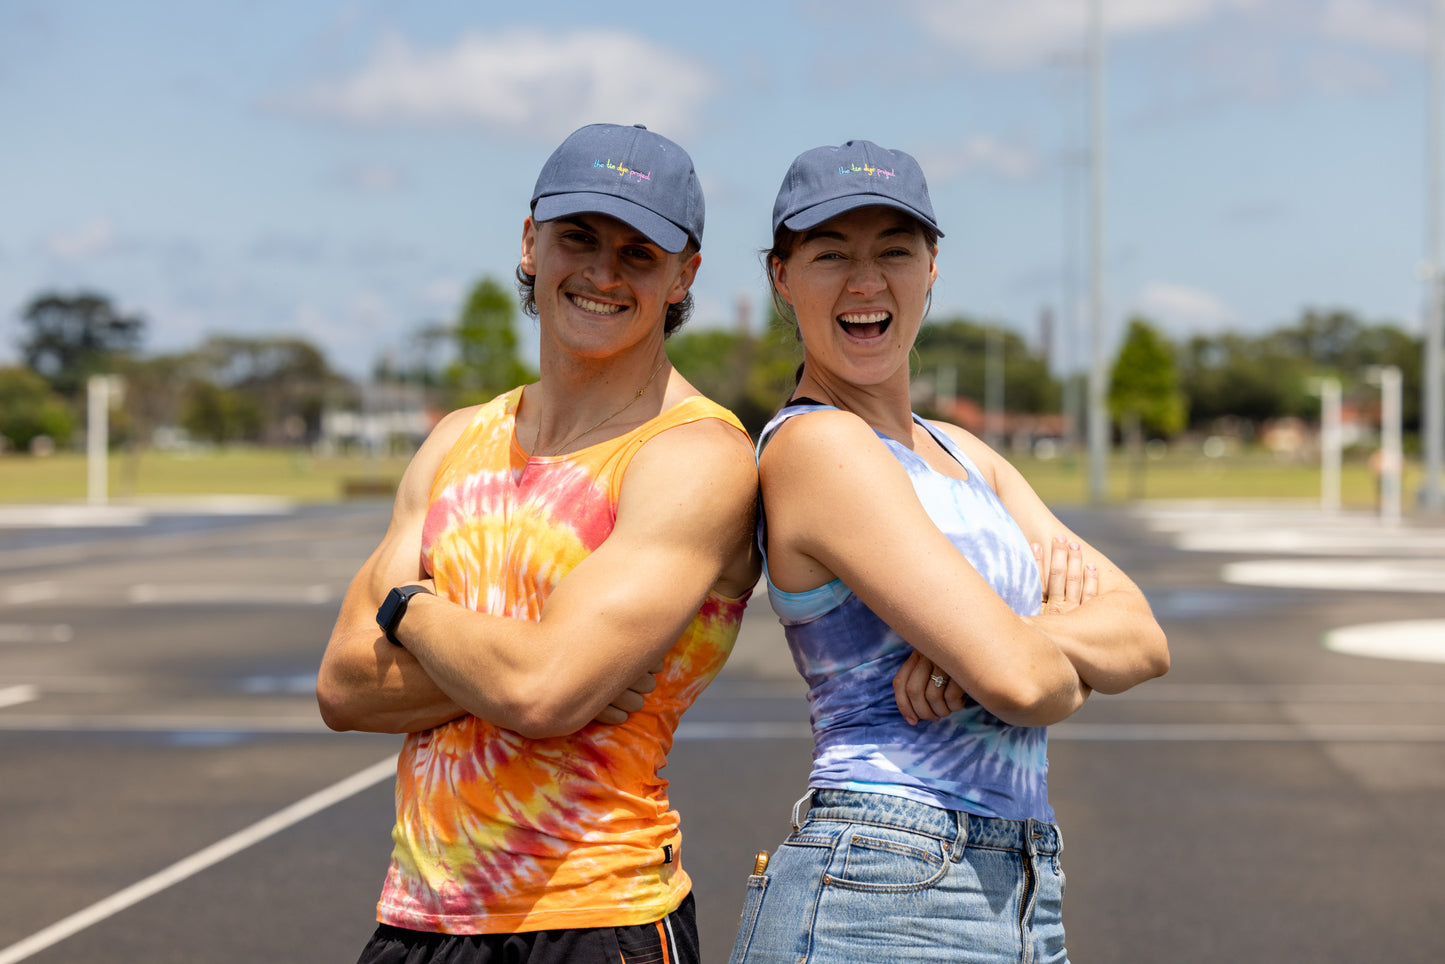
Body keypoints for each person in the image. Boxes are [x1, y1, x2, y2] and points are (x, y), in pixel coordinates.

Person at [316, 122, 759, 964]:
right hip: (415, 919)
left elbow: (546, 693)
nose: (601, 273)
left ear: (683, 277)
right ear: (529, 243)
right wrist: (531, 670)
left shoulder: (694, 455)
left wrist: (407, 606)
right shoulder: (454, 440)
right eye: (578, 239)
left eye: (638, 254)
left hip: (595, 919)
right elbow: (342, 686)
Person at [727, 141, 1170, 964]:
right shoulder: (818, 447)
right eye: (831, 255)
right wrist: (1025, 645)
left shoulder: (965, 452)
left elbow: (1143, 638)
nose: (866, 282)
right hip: (885, 876)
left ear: (932, 268)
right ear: (781, 277)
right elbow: (1026, 684)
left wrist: (990, 640)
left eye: (894, 252)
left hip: (1020, 883)